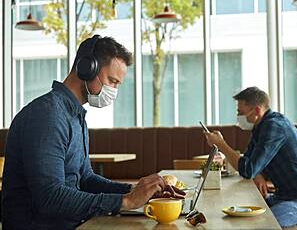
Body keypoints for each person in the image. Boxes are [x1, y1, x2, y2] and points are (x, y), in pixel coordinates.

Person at [2, 35, 184, 229]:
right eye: (112, 81)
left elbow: (86, 179)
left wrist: (135, 191)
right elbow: (50, 197)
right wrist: (126, 202)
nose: (113, 90)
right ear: (87, 68)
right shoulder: (47, 116)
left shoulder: (75, 115)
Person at [204, 86, 297, 227]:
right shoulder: (260, 128)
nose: (238, 117)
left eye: (240, 112)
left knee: (263, 225)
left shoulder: (274, 127)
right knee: (235, 215)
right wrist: (258, 173)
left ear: (256, 110)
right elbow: (249, 164)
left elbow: (247, 169)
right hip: (283, 197)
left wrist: (221, 144)